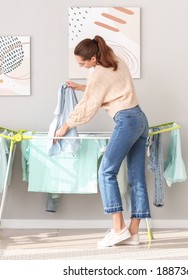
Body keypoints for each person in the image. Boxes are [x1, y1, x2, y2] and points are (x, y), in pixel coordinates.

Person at [54, 35, 151, 247]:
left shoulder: (98, 73)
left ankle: (118, 229)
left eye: (83, 63)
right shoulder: (116, 61)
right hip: (140, 119)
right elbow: (109, 88)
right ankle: (134, 233)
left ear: (94, 58)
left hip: (126, 120)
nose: (81, 66)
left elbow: (89, 105)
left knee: (106, 172)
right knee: (136, 178)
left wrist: (66, 126)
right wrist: (81, 88)